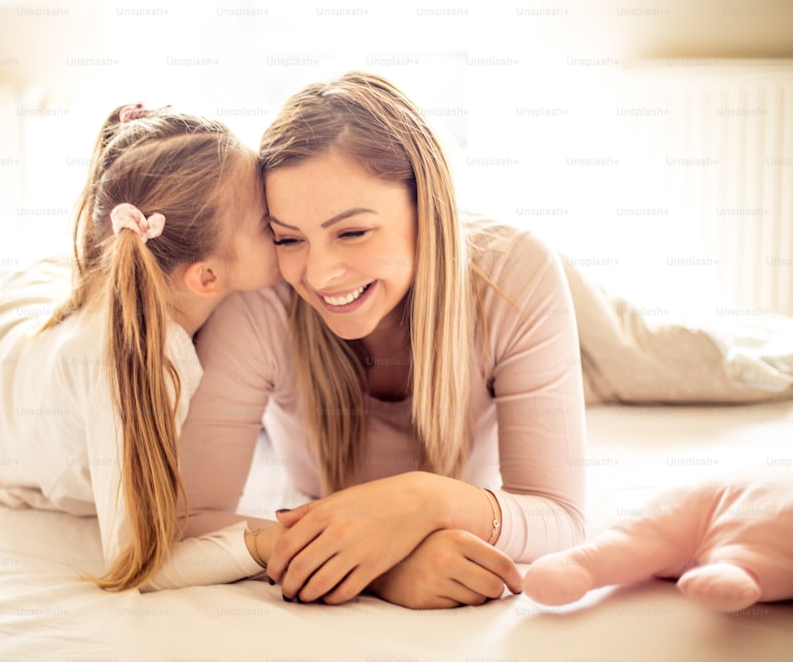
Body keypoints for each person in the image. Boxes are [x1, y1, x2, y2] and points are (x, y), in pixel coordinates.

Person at [177, 72, 587, 608]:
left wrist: (424, 499)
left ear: (428, 209)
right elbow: (186, 521)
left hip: (482, 285)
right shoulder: (263, 295)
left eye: (352, 232)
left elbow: (561, 515)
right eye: (289, 238)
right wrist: (378, 566)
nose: (320, 275)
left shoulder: (520, 271)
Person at [0, 104, 279, 591]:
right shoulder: (143, 365)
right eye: (268, 224)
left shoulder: (148, 284)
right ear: (206, 277)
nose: (282, 226)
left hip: (32, 337)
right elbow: (135, 558)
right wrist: (264, 543)